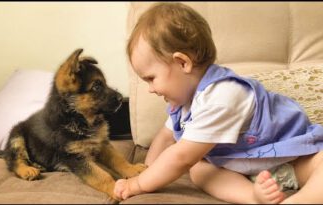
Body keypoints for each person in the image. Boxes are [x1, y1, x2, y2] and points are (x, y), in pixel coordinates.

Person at [114, 2, 323, 204]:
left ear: (182, 62)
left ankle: (301, 201)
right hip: (240, 170)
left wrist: (138, 185)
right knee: (200, 170)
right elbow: (165, 139)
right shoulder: (184, 104)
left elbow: (181, 156)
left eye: (151, 78)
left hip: (291, 158)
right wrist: (147, 171)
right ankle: (252, 196)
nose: (150, 89)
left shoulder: (224, 96)